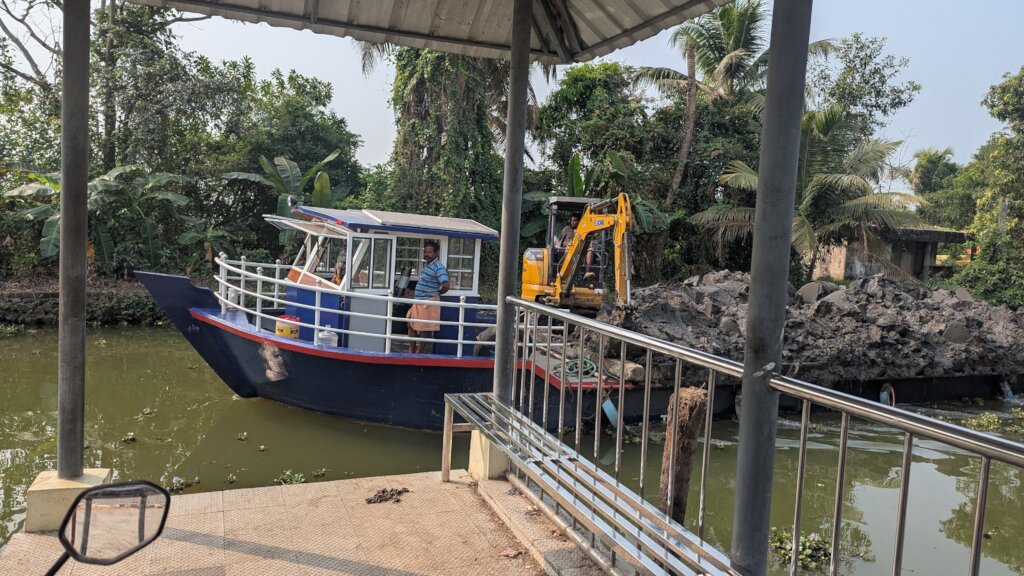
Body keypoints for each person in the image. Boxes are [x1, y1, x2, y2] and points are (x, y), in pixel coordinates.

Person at [407, 240, 449, 354]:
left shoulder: (438, 267)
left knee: (424, 329)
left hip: (428, 302)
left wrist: (436, 293)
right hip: (418, 301)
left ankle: (419, 353)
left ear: (436, 254)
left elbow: (445, 284)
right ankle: (411, 351)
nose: (427, 254)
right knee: (410, 324)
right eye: (425, 252)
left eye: (429, 252)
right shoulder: (427, 265)